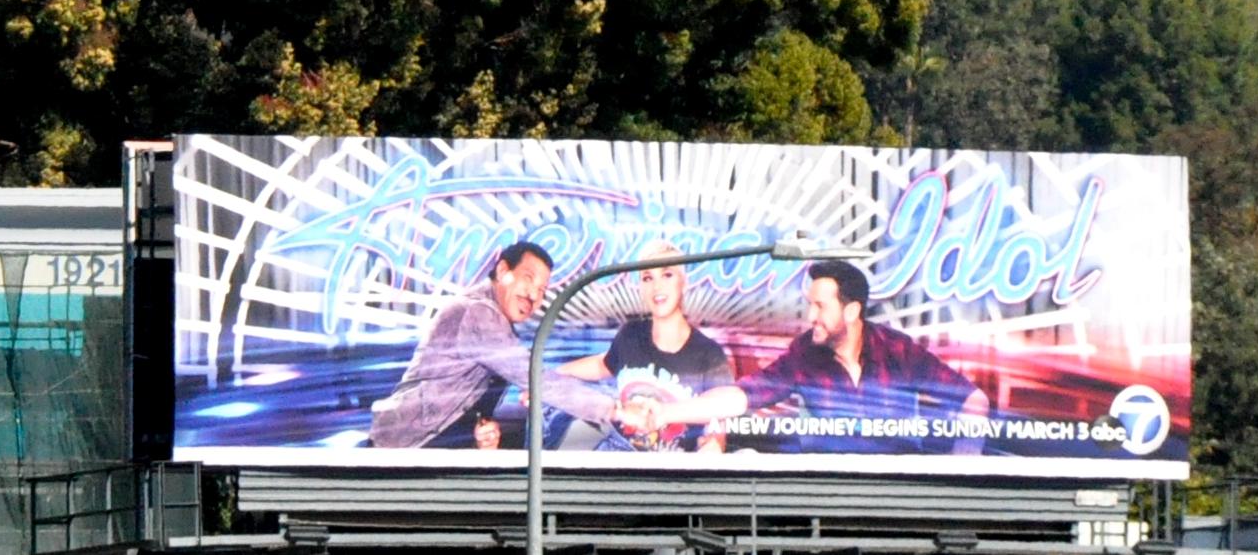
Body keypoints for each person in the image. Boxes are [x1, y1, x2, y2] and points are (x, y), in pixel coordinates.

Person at [634, 260, 988, 453]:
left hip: (899, 494)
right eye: (809, 305)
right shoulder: (804, 353)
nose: (810, 317)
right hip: (826, 495)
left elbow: (974, 399)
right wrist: (668, 412)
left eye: (820, 306)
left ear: (851, 312)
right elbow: (740, 396)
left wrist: (961, 471)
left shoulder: (898, 349)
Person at [367, 240, 636, 450]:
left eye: (542, 290)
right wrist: (614, 409)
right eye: (528, 279)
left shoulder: (496, 322)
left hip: (429, 448)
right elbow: (533, 377)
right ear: (503, 270)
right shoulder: (479, 313)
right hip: (402, 451)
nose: (533, 295)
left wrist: (479, 430)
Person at [557, 241, 735, 451]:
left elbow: (717, 426)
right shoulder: (630, 335)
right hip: (618, 463)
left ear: (683, 283)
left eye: (667, 275)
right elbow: (603, 364)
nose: (657, 287)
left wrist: (713, 445)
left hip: (670, 476)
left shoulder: (709, 354)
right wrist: (548, 377)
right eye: (648, 278)